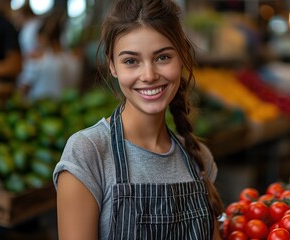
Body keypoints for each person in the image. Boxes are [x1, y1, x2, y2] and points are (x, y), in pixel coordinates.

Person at [53, 0, 224, 239]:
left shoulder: (199, 159)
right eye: (131, 61)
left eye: (163, 57)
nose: (149, 75)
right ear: (112, 65)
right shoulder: (88, 153)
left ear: (182, 56)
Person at [17, 13, 82, 102]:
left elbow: (23, 89)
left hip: (40, 111)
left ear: (42, 37)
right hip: (67, 108)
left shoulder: (37, 59)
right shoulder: (73, 59)